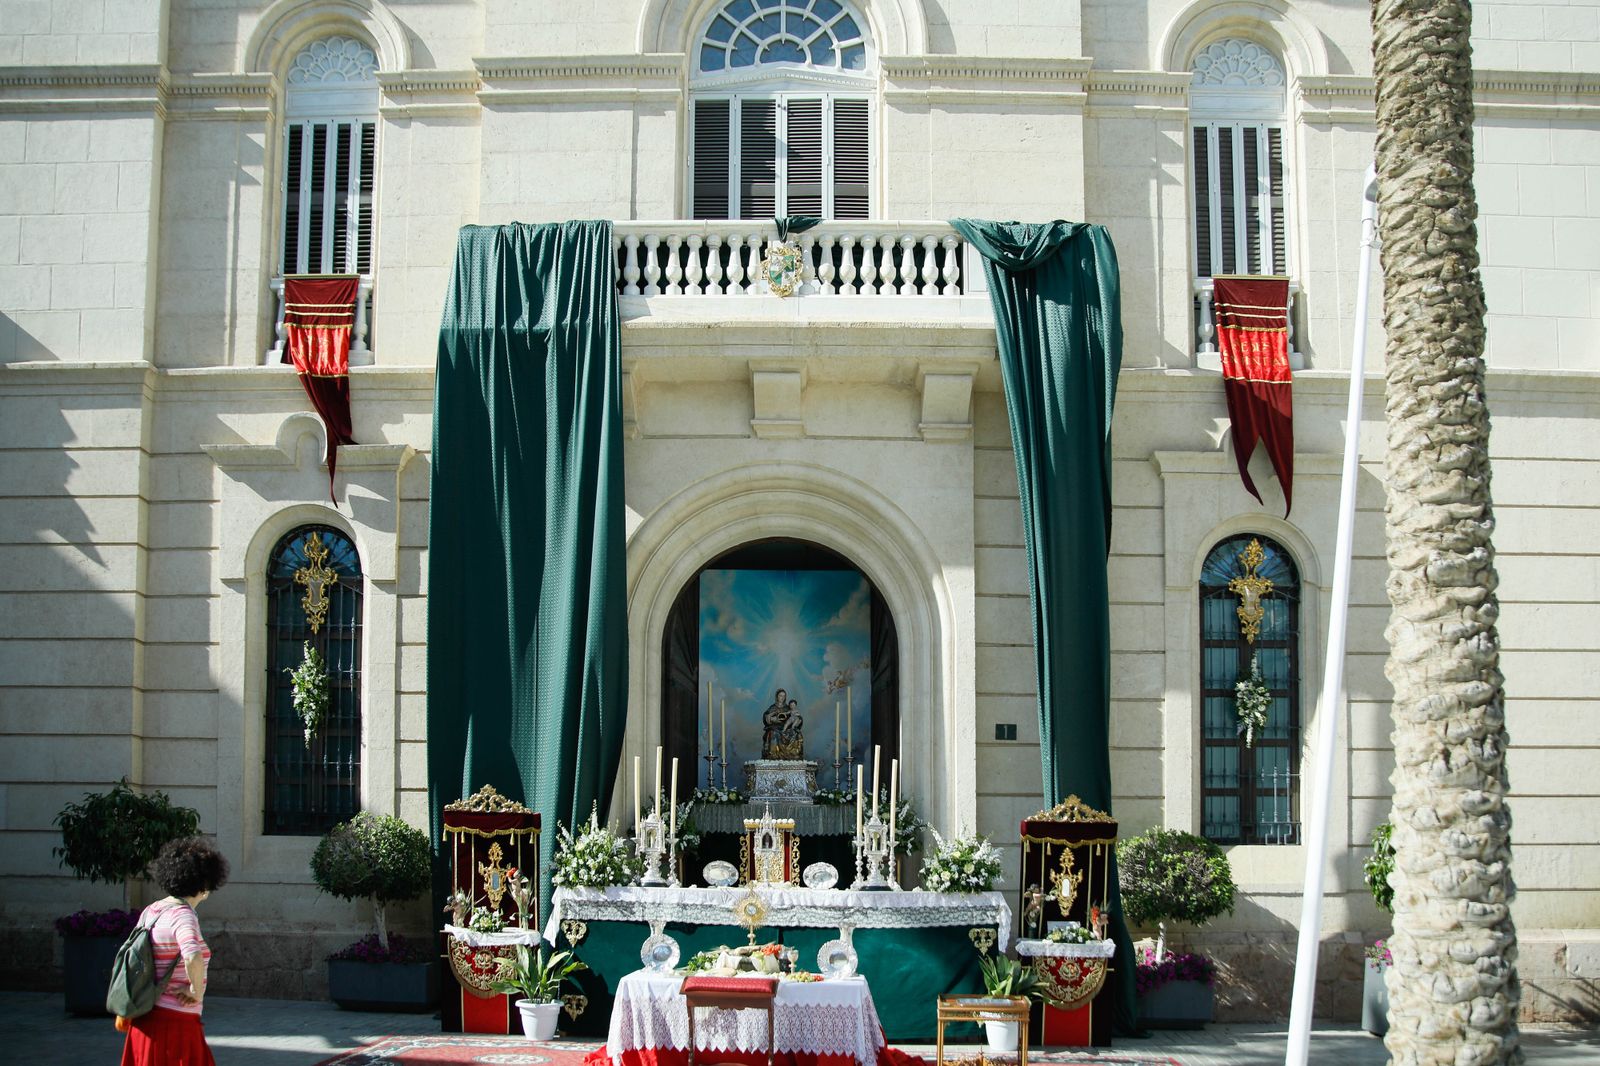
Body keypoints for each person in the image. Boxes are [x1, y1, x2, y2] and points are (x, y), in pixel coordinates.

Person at [119, 836, 229, 1066]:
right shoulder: (184, 916)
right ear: (205, 883)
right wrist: (195, 991)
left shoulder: (152, 911)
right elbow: (193, 955)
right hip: (175, 1024)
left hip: (145, 1020)